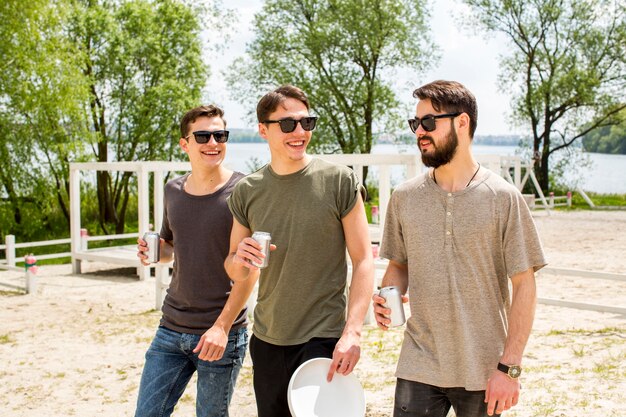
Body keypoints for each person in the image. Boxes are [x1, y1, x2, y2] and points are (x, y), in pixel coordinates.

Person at [372, 80, 546, 417]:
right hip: (418, 363)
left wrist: (509, 368)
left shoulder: (502, 198)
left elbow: (524, 284)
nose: (420, 132)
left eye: (429, 122)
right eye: (415, 123)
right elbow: (399, 264)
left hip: (483, 367)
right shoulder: (404, 197)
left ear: (462, 122)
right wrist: (385, 296)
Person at [224, 84, 375, 417]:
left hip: (322, 339)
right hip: (266, 339)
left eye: (307, 123)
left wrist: (352, 332)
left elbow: (364, 260)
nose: (300, 132)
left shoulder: (340, 181)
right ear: (263, 130)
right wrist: (241, 258)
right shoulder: (247, 191)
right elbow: (233, 268)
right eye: (288, 124)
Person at [134, 105, 255, 417]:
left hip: (220, 333)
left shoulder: (244, 191)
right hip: (171, 327)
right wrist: (153, 252)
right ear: (184, 144)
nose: (213, 141)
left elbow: (249, 271)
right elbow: (172, 247)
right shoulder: (172, 189)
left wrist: (221, 327)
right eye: (202, 135)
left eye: (220, 134)